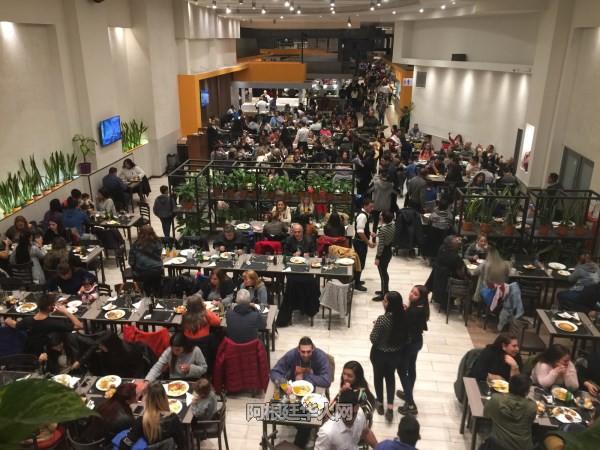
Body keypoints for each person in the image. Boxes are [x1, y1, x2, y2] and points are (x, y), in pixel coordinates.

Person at [270, 337, 332, 448]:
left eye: (309, 352)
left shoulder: (320, 357)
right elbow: (274, 372)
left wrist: (306, 375)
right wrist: (284, 383)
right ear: (298, 350)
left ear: (313, 349)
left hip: (313, 396)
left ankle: (298, 442)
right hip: (294, 394)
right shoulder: (292, 355)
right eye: (303, 352)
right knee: (283, 414)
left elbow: (327, 380)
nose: (306, 355)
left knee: (305, 424)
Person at [370, 291, 408, 422]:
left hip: (379, 354)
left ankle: (380, 403)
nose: (383, 302)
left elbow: (373, 338)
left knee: (378, 377)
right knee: (390, 378)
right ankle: (390, 407)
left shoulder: (382, 319)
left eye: (385, 301)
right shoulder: (403, 318)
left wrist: (376, 326)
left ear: (390, 304)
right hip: (395, 355)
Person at [4, 294, 83, 355]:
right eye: (54, 304)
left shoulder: (27, 320)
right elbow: (79, 326)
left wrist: (7, 320)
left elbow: (15, 325)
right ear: (50, 307)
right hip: (47, 353)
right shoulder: (54, 323)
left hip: (31, 352)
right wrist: (66, 312)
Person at [117, 381, 185, 449]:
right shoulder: (173, 418)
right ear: (164, 397)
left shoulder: (141, 421)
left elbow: (125, 444)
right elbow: (181, 444)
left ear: (147, 399)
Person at [397, 285, 429, 416]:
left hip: (410, 344)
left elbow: (404, 324)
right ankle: (407, 392)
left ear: (421, 298)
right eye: (411, 291)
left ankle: (410, 404)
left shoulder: (414, 312)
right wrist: (407, 310)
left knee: (401, 370)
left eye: (415, 294)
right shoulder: (421, 308)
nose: (411, 294)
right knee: (411, 368)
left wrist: (404, 312)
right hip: (417, 342)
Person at [483, 374, 537, 450]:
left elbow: (486, 414)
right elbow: (530, 422)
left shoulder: (496, 399)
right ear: (526, 392)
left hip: (497, 446)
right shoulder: (532, 406)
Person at [314, 390, 378, 450]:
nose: (351, 418)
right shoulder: (327, 433)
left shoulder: (360, 414)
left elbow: (366, 432)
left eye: (354, 414)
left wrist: (379, 447)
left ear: (358, 408)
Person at [142, 333, 207, 387]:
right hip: (174, 381)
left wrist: (190, 368)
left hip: (193, 380)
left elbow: (204, 368)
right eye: (173, 349)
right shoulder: (169, 351)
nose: (174, 352)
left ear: (185, 346)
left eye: (178, 350)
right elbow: (157, 367)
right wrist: (147, 381)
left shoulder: (195, 351)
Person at [128, 225, 164, 295]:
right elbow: (161, 255)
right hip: (157, 272)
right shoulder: (158, 242)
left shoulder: (135, 245)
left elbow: (131, 262)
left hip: (141, 274)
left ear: (140, 233)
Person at [353, 198, 376, 291]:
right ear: (365, 206)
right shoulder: (363, 216)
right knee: (360, 263)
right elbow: (360, 232)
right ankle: (356, 283)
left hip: (360, 242)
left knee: (360, 262)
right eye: (371, 207)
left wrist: (369, 232)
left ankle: (356, 280)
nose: (372, 208)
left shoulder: (364, 214)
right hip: (360, 243)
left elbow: (362, 228)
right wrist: (369, 243)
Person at [373, 211, 396, 302]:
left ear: (382, 218)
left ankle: (384, 294)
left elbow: (381, 246)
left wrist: (377, 257)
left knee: (383, 274)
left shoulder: (382, 229)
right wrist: (377, 235)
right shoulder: (393, 224)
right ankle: (384, 290)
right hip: (389, 251)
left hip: (383, 253)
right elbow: (387, 234)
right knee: (384, 272)